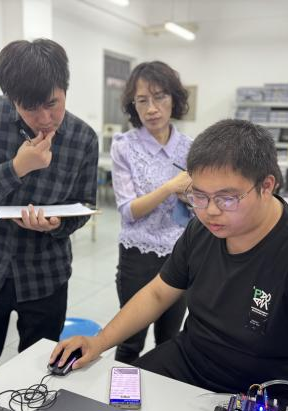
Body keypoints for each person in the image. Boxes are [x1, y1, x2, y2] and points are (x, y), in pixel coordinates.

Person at [51, 119, 288, 411]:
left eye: (227, 198)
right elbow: (157, 293)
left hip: (268, 390)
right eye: (198, 195)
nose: (210, 211)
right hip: (191, 361)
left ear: (267, 185)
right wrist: (99, 342)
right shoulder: (202, 230)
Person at [0, 39, 98, 389]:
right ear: (11, 98)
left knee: (40, 374)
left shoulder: (83, 139)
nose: (44, 119)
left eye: (53, 104)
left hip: (46, 275)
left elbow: (85, 206)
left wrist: (57, 225)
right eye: (30, 108)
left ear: (65, 89)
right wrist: (16, 168)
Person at [111, 61, 192, 363]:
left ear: (174, 98)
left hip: (180, 254)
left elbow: (200, 205)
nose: (152, 108)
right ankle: (120, 393)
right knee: (129, 340)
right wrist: (170, 187)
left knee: (169, 340)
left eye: (159, 97)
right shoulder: (124, 146)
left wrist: (193, 196)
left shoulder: (191, 148)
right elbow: (128, 210)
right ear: (133, 105)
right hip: (137, 255)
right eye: (142, 100)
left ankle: (158, 394)